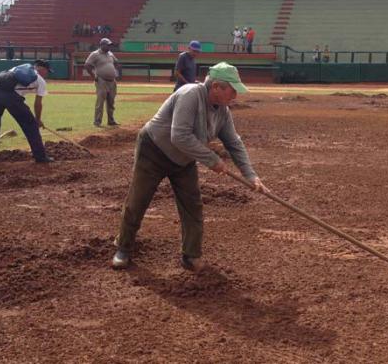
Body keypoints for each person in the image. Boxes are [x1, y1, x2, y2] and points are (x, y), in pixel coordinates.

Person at [111, 62, 269, 271]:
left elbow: (234, 143)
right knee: (138, 199)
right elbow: (180, 135)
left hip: (184, 160)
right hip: (154, 151)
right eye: (232, 90)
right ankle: (123, 247)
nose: (235, 96)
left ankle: (191, 254)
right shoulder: (190, 94)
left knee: (192, 205)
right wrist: (212, 160)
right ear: (216, 87)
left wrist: (251, 176)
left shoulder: (223, 111)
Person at [0, 60, 54, 163]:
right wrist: (37, 119)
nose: (47, 74)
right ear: (41, 68)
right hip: (11, 96)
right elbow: (38, 103)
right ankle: (41, 157)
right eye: (47, 71)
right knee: (30, 125)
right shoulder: (40, 80)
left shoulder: (20, 68)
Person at [85, 38, 120, 127]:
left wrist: (114, 71)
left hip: (112, 81)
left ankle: (111, 121)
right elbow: (87, 65)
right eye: (107, 45)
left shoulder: (110, 54)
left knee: (111, 102)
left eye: (109, 45)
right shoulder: (95, 54)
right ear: (102, 45)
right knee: (100, 102)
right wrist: (94, 76)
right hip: (102, 81)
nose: (109, 47)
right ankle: (97, 122)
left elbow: (116, 62)